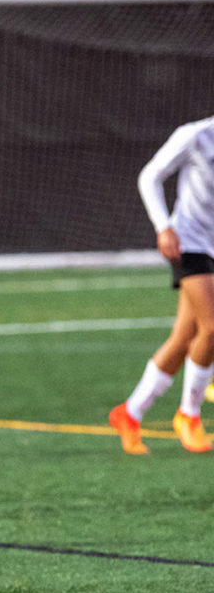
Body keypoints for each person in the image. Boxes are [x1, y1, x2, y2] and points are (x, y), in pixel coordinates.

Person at [109, 115, 214, 455]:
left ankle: (130, 413)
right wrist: (163, 226)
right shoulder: (195, 136)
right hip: (189, 243)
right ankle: (189, 415)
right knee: (212, 328)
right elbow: (150, 176)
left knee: (185, 337)